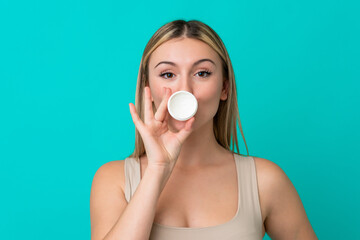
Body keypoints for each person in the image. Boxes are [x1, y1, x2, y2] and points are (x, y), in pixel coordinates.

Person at [90, 20, 318, 240]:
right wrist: (157, 168)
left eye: (202, 73)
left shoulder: (265, 181)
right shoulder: (113, 180)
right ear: (147, 87)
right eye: (168, 74)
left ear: (224, 88)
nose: (185, 90)